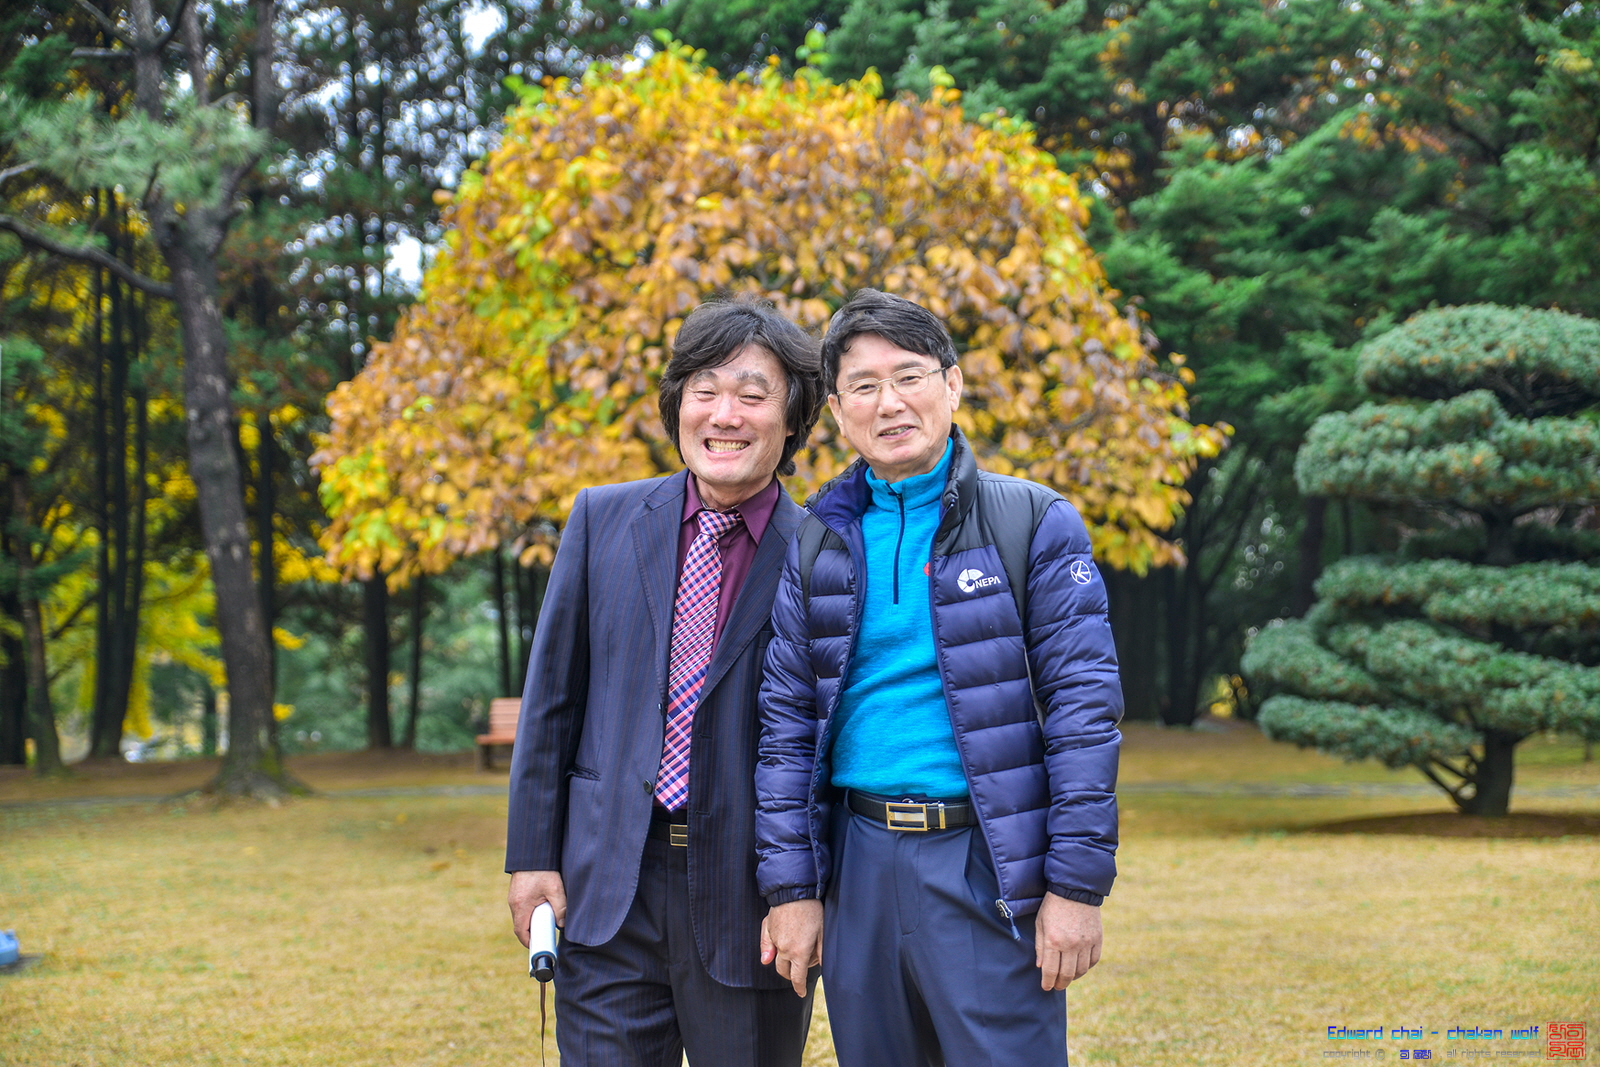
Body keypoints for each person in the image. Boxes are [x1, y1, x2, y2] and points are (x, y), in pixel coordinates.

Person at [754, 288, 1122, 1067]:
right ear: (838, 411)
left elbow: (1084, 712)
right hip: (858, 862)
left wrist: (1076, 887)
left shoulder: (1031, 520)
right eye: (863, 385)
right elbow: (785, 727)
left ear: (952, 385)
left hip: (985, 861)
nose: (889, 402)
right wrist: (792, 890)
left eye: (909, 376)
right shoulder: (817, 539)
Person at [505, 295, 825, 1067]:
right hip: (607, 887)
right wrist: (530, 855)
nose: (725, 414)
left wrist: (804, 893)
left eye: (753, 394)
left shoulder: (826, 554)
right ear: (677, 404)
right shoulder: (601, 519)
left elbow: (830, 742)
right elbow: (552, 705)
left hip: (752, 903)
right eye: (704, 390)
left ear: (792, 419)